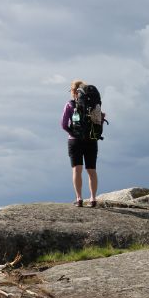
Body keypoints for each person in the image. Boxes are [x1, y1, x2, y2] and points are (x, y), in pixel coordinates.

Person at [61, 79, 99, 207]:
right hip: (91, 139)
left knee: (77, 170)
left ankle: (79, 199)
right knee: (92, 170)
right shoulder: (93, 103)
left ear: (73, 91)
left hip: (75, 141)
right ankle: (93, 199)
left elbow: (63, 124)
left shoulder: (70, 104)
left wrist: (73, 133)